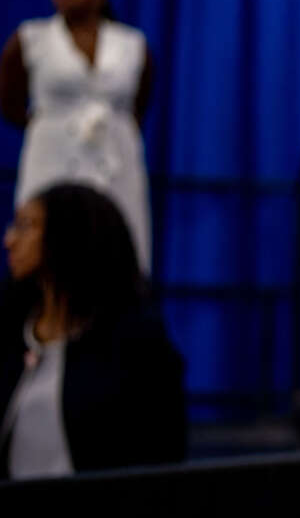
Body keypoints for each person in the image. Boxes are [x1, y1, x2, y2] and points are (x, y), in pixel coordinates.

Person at [0, 183, 185, 479]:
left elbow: (160, 460)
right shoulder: (10, 329)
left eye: (26, 226)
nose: (9, 240)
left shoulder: (135, 346)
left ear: (69, 236)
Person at [0, 0, 153, 273]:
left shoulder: (132, 44)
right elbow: (9, 99)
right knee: (47, 232)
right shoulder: (32, 37)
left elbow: (141, 100)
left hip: (114, 157)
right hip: (52, 152)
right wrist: (49, 127)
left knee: (115, 237)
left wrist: (115, 130)